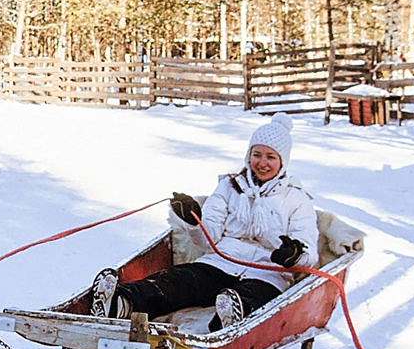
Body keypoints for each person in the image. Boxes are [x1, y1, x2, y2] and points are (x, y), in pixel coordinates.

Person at [89, 113, 320, 330]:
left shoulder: (296, 199)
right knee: (177, 281)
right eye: (257, 154)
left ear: (283, 162)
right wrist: (193, 221)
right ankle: (122, 302)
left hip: (267, 272)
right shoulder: (230, 187)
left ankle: (229, 318)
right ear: (248, 155)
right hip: (221, 261)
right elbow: (207, 240)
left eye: (271, 157)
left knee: (254, 297)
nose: (262, 163)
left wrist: (293, 254)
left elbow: (309, 251)